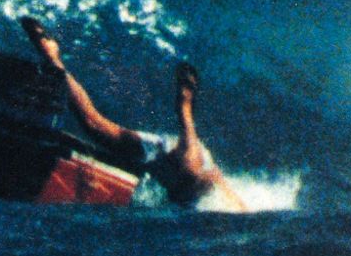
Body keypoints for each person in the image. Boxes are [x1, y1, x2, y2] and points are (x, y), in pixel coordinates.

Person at [20, 17, 248, 212]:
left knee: (93, 125)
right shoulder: (210, 195)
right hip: (187, 173)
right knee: (191, 170)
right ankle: (185, 109)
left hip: (179, 164)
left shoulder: (208, 187)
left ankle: (52, 57)